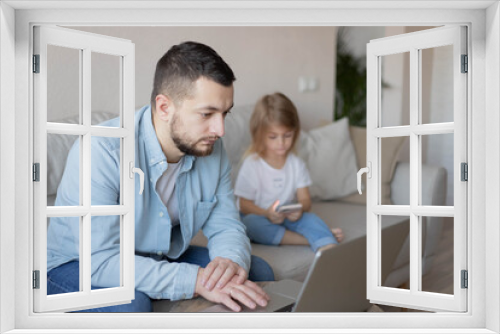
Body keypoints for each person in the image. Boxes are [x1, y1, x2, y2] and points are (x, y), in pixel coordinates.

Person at [46, 41, 274, 313]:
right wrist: (197, 280)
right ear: (164, 107)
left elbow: (226, 225)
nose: (220, 129)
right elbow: (100, 260)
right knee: (132, 305)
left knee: (255, 271)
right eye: (207, 114)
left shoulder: (212, 148)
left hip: (155, 253)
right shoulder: (101, 150)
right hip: (77, 264)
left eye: (225, 113)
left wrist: (229, 261)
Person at [234, 92, 344, 252]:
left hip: (287, 215)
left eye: (287, 136)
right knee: (250, 225)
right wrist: (267, 213)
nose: (281, 143)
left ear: (295, 132)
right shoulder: (253, 163)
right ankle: (313, 239)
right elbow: (244, 205)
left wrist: (300, 209)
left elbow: (305, 200)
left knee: (310, 219)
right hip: (260, 215)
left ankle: (327, 244)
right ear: (260, 135)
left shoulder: (296, 164)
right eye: (273, 137)